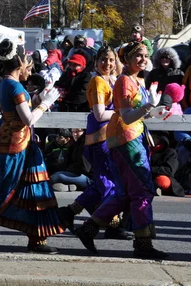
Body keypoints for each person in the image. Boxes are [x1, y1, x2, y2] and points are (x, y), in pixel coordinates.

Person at [0, 38, 64, 254]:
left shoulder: (7, 83)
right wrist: (46, 102)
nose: (29, 65)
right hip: (16, 144)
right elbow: (28, 119)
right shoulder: (12, 85)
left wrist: (37, 98)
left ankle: (37, 240)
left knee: (35, 189)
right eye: (27, 60)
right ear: (18, 61)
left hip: (21, 144)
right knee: (6, 192)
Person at [73, 41, 171, 259]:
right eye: (138, 55)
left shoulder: (137, 80)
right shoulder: (124, 82)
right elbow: (125, 116)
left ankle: (88, 229)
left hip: (134, 137)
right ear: (126, 59)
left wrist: (155, 112)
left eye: (146, 55)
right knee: (143, 191)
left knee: (126, 193)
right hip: (126, 141)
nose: (144, 59)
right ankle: (143, 243)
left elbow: (137, 114)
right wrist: (147, 107)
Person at [57, 46, 131, 240]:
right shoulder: (98, 82)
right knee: (108, 182)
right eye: (104, 60)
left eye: (111, 60)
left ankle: (68, 213)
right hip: (101, 139)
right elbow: (98, 114)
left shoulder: (112, 80)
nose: (108, 64)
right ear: (96, 62)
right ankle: (113, 224)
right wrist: (123, 112)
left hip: (112, 138)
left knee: (99, 185)